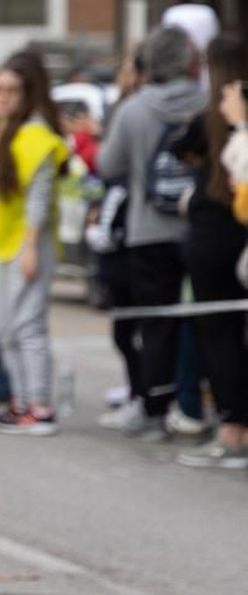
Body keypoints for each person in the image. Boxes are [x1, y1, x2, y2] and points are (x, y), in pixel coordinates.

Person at [96, 25, 208, 440]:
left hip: (149, 230)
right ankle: (199, 403)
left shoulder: (136, 108)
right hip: (200, 227)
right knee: (205, 320)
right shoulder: (206, 102)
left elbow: (109, 166)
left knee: (156, 322)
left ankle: (155, 409)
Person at [0, 52, 68, 434]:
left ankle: (39, 408)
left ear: (28, 93)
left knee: (27, 326)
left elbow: (39, 199)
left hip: (26, 247)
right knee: (3, 326)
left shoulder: (36, 138)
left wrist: (31, 247)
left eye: (11, 91)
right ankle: (20, 403)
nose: (1, 98)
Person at [170, 40, 248, 468]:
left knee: (218, 336)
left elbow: (177, 146)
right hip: (235, 236)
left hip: (214, 236)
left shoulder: (222, 118)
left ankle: (233, 430)